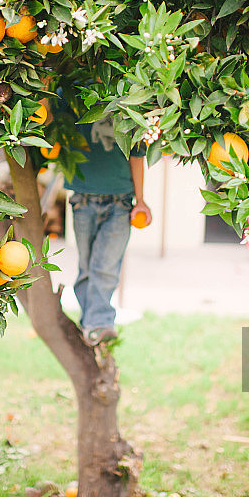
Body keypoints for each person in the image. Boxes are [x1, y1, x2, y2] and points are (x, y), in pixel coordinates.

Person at [63, 110, 151, 345]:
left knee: (105, 267)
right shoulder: (72, 91)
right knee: (87, 268)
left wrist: (140, 200)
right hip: (83, 198)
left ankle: (99, 324)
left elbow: (137, 154)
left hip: (120, 202)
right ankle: (90, 324)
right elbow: (49, 119)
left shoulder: (131, 100)